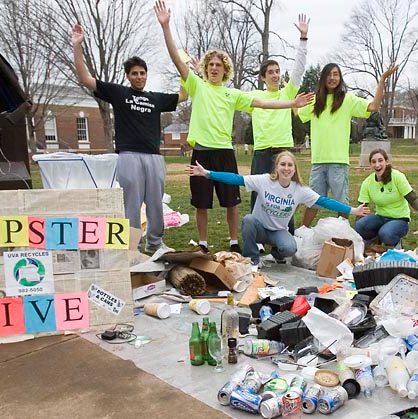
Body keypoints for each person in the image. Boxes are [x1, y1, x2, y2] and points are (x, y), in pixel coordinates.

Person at [155, 0, 313, 254]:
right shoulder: (198, 86)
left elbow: (262, 102)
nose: (215, 68)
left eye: (219, 65)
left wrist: (291, 103)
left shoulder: (233, 94)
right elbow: (177, 60)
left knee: (232, 202)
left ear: (225, 69)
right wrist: (166, 28)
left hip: (226, 152)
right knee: (202, 203)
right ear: (205, 69)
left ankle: (234, 241)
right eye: (211, 65)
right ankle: (204, 244)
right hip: (203, 153)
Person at [72, 23, 187, 253]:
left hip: (154, 157)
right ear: (128, 76)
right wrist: (77, 47)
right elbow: (85, 78)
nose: (139, 77)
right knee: (131, 204)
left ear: (146, 75)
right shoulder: (119, 93)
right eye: (134, 73)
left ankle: (155, 243)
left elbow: (183, 95)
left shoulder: (155, 98)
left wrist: (186, 68)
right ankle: (132, 246)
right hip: (129, 157)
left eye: (142, 73)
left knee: (155, 203)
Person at [187, 151, 370, 265]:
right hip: (258, 228)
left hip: (277, 232)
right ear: (277, 167)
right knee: (248, 219)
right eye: (283, 164)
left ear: (294, 169)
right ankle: (252, 260)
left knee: (290, 248)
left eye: (290, 165)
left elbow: (324, 201)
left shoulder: (299, 190)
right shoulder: (264, 180)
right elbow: (236, 178)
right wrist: (207, 173)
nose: (286, 168)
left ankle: (276, 252)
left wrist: (352, 210)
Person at [298, 62, 398, 227]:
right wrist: (294, 101)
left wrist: (382, 80)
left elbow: (373, 106)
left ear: (340, 78)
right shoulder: (315, 101)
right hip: (318, 161)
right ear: (323, 78)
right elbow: (298, 113)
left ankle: (343, 234)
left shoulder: (347, 100)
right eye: (329, 74)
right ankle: (301, 232)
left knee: (341, 203)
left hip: (339, 162)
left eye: (336, 74)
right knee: (313, 201)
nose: (332, 78)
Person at [249, 14, 309, 224]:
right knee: (258, 196)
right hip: (261, 153)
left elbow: (299, 69)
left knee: (286, 197)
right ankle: (256, 235)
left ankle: (286, 235)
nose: (275, 75)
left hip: (283, 153)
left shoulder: (287, 92)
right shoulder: (253, 98)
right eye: (271, 72)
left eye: (277, 71)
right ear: (263, 77)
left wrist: (303, 39)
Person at [355, 148, 418, 248]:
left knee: (386, 233)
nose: (377, 165)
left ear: (387, 161)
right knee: (360, 226)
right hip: (381, 217)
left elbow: (413, 199)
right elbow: (361, 208)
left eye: (380, 160)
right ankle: (374, 241)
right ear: (370, 165)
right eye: (373, 162)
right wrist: (356, 231)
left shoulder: (397, 177)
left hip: (400, 219)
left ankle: (396, 244)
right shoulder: (367, 182)